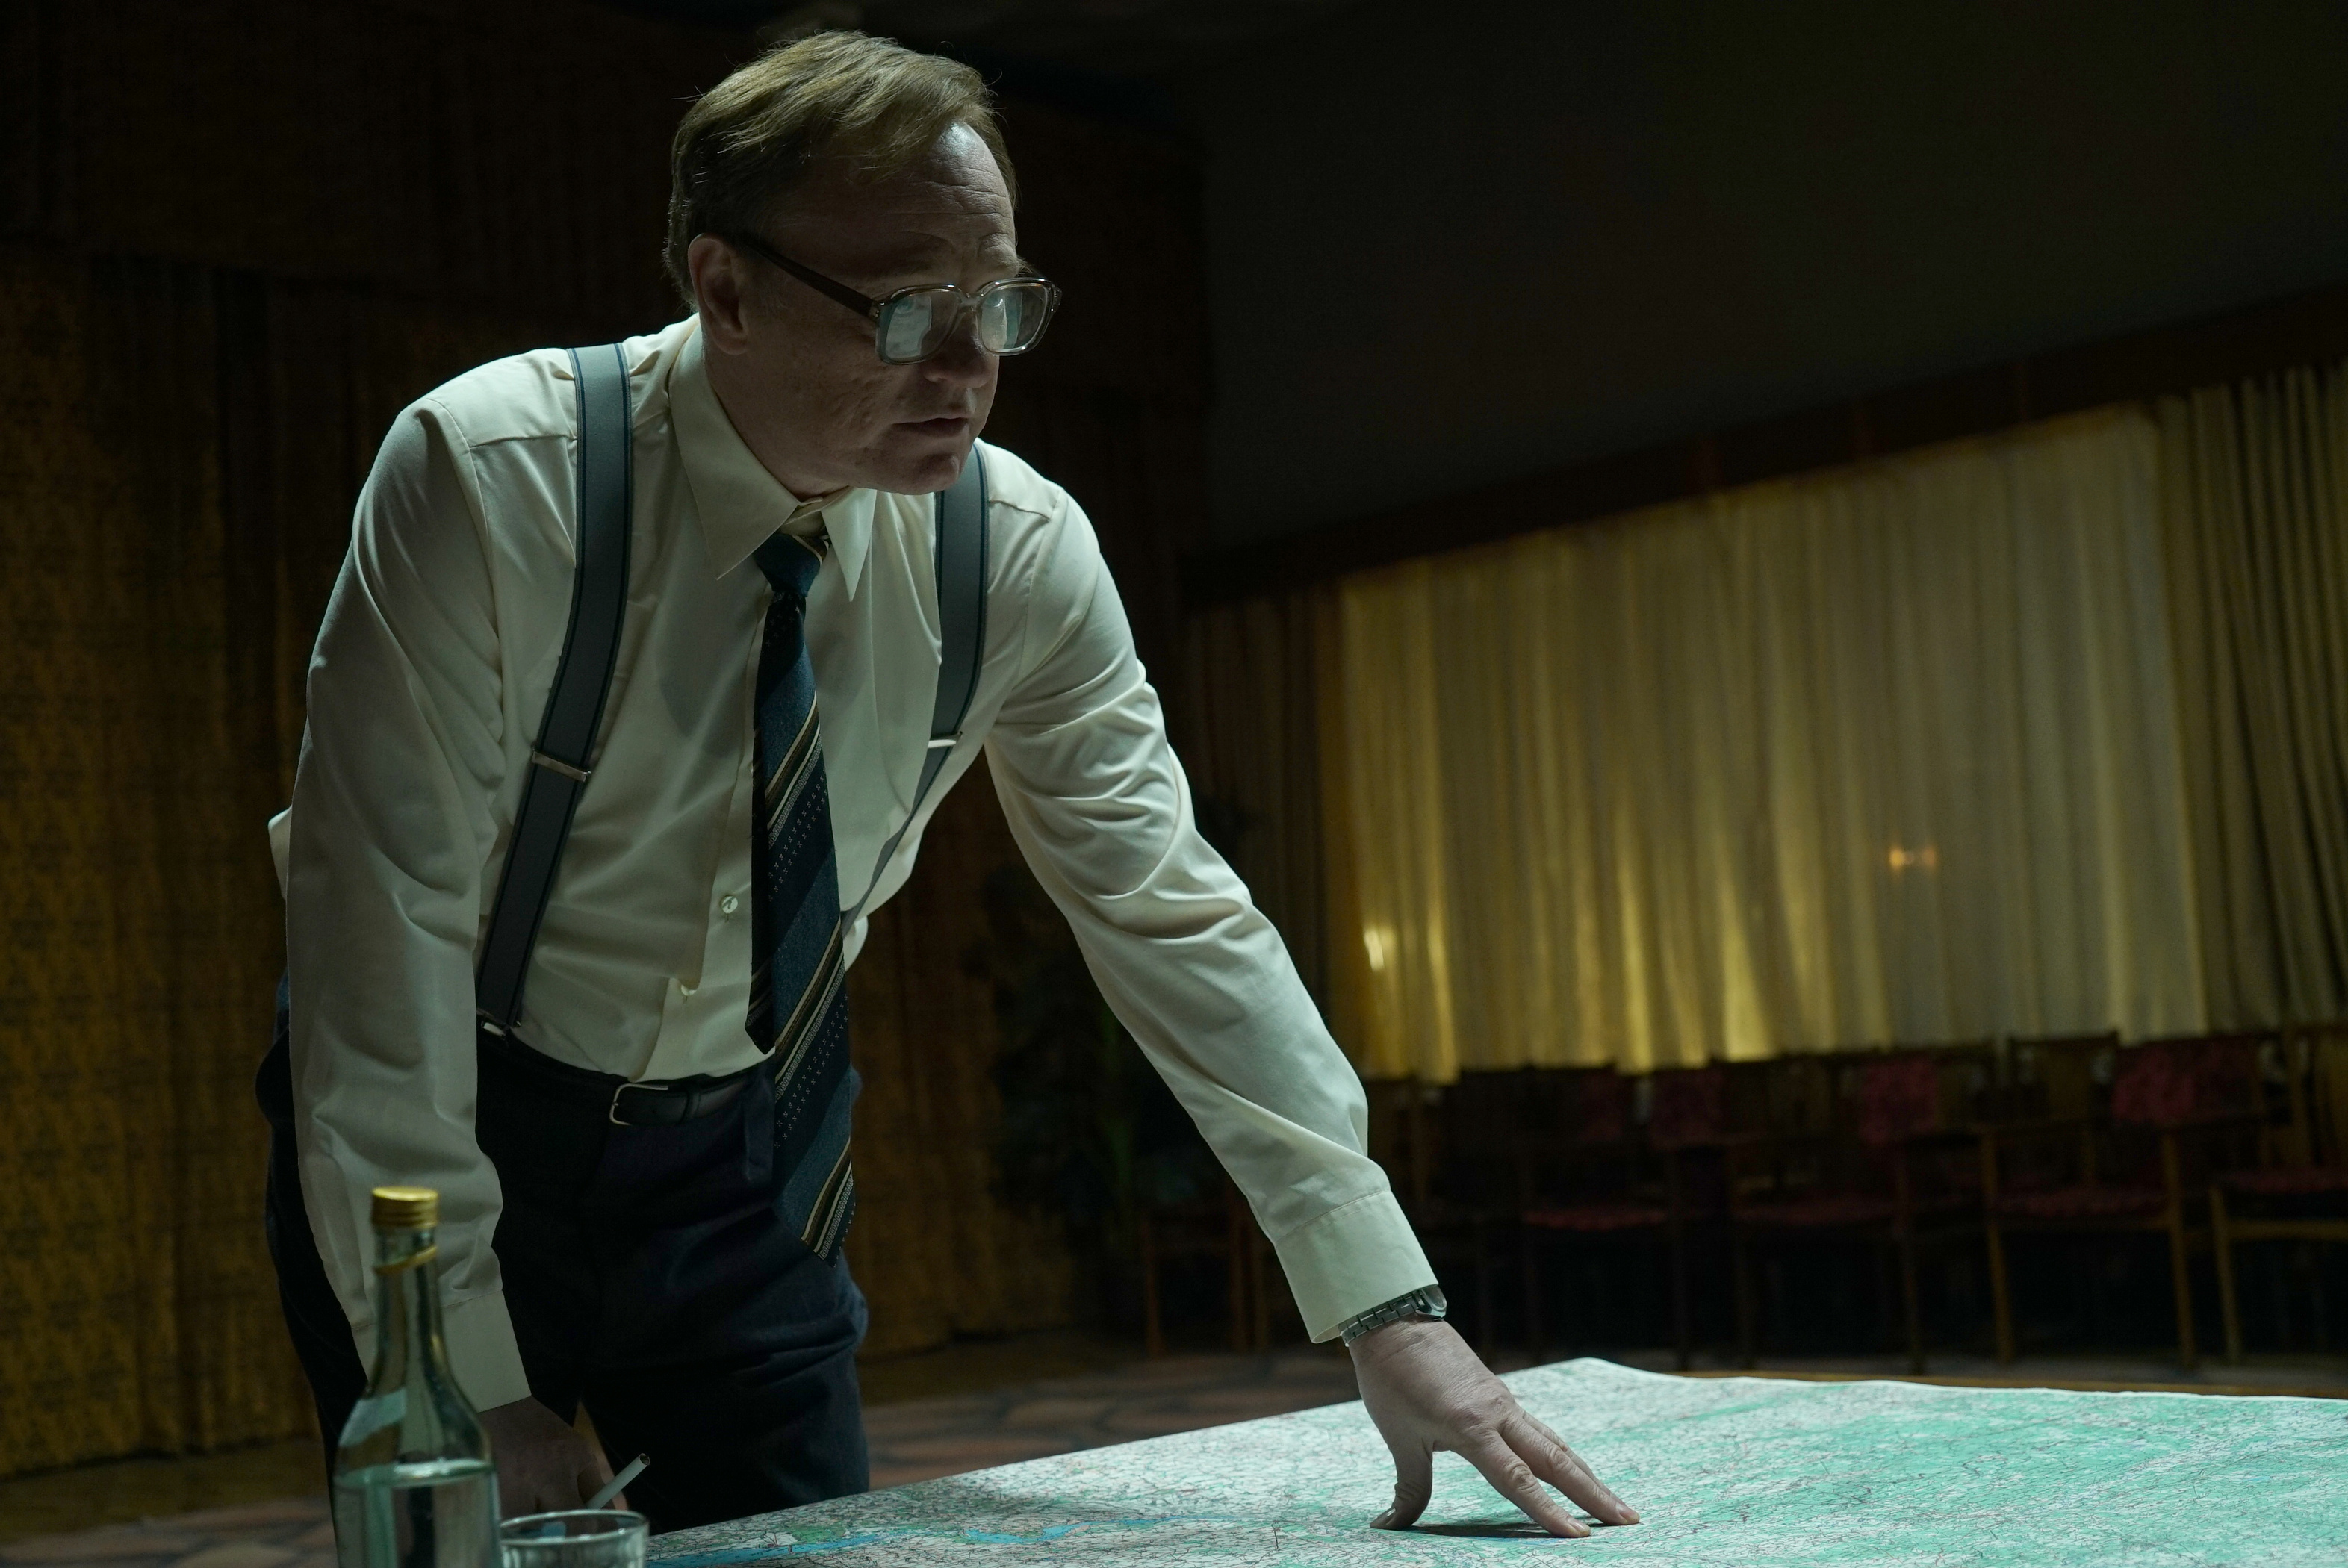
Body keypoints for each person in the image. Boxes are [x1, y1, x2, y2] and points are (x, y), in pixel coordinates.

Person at [259, 28, 1639, 1541]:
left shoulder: (1017, 553)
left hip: (745, 1159)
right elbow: (376, 943)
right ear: (726, 289)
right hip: (454, 1122)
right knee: (465, 1544)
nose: (971, 369)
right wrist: (468, 1386)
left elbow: (1168, 909)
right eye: (912, 309)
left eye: (1001, 307)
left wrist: (1389, 1307)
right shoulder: (494, 478)